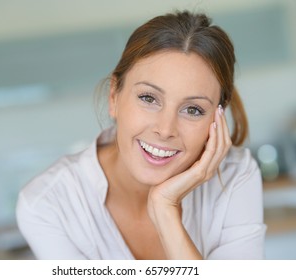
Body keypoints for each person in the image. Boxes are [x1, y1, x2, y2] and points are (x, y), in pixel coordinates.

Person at [16, 10, 266, 260]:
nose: (166, 129)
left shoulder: (235, 175)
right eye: (149, 98)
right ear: (114, 97)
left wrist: (165, 210)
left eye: (193, 109)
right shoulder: (46, 203)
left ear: (217, 118)